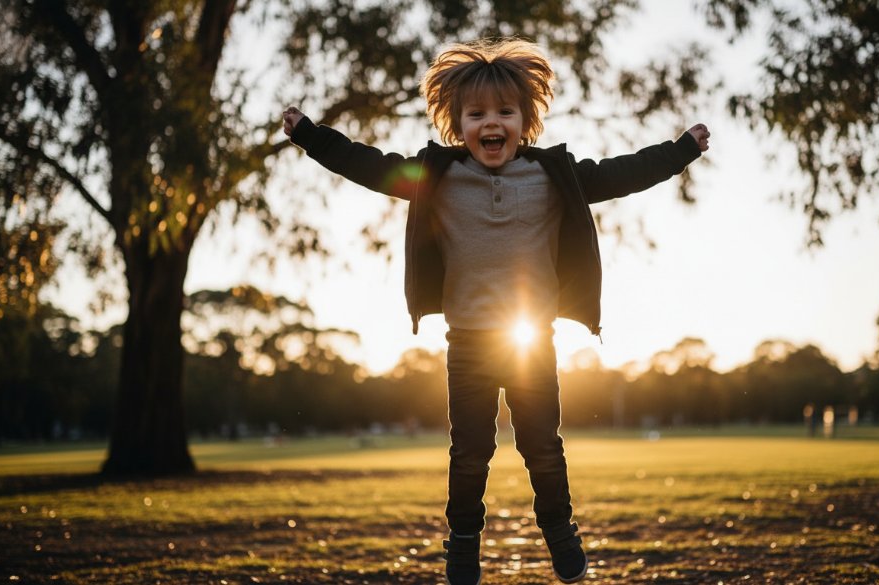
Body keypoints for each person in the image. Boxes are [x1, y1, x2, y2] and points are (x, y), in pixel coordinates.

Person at [282, 37, 709, 585]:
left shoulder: (554, 176)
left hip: (533, 340)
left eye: (505, 112)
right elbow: (367, 165)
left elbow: (622, 173)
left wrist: (680, 151)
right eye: (476, 113)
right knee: (469, 454)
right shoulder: (436, 176)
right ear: (456, 123)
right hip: (469, 345)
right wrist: (311, 137)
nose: (492, 122)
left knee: (542, 446)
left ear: (526, 120)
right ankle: (462, 545)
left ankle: (558, 527)